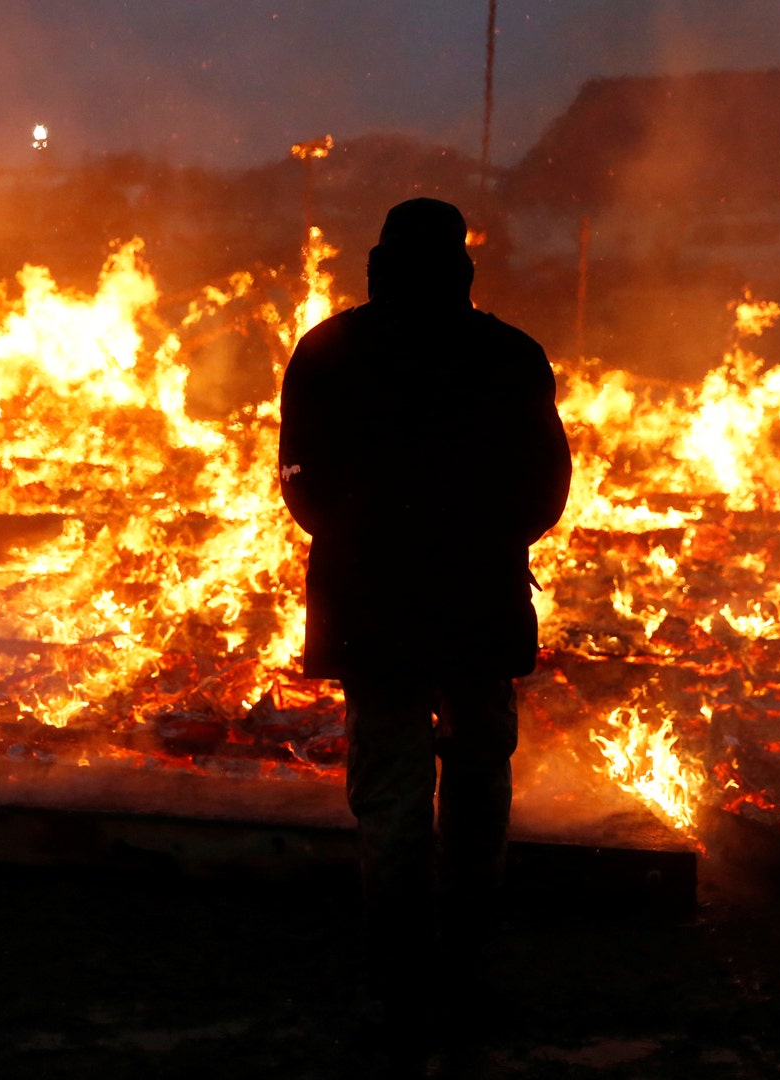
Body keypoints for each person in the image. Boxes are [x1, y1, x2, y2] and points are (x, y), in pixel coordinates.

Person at [277, 198, 572, 1065]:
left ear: (377, 266)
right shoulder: (508, 355)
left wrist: (355, 536)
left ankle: (398, 987)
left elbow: (300, 480)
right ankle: (466, 975)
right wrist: (487, 538)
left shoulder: (330, 351)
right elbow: (546, 484)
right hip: (477, 599)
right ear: (463, 270)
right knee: (478, 783)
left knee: (394, 792)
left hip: (371, 605)